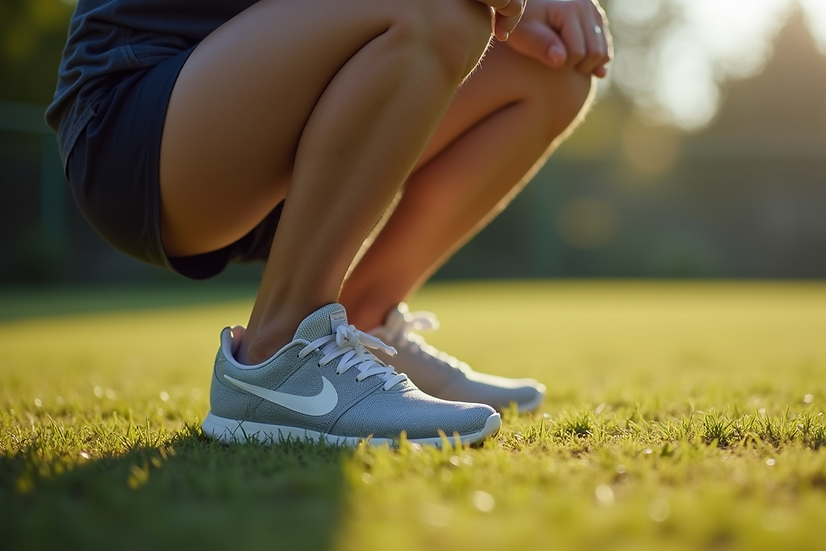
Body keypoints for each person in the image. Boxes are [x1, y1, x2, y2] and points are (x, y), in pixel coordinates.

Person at [47, 0, 611, 446]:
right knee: (437, 7)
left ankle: (361, 325)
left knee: (553, 68)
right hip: (141, 119)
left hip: (290, 130)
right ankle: (278, 351)